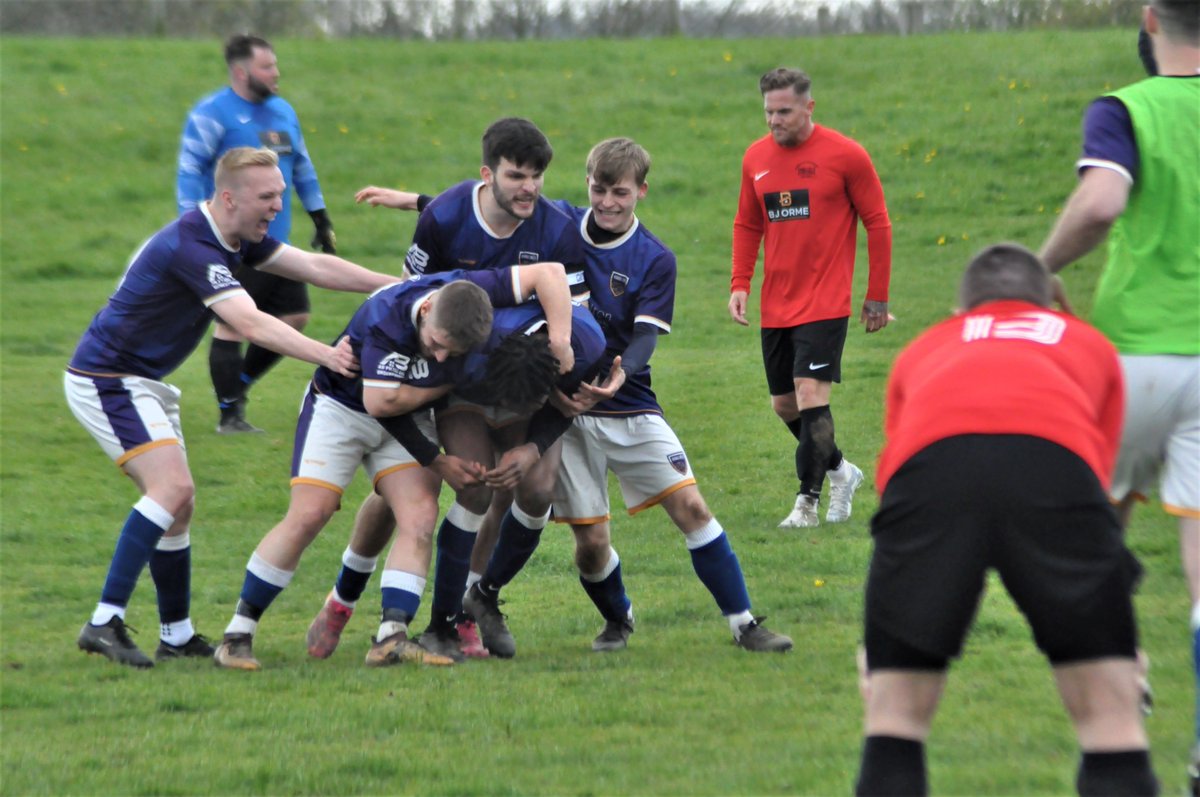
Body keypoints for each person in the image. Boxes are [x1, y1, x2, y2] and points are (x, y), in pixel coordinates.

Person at [68, 147, 397, 669]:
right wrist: (328, 355)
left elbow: (314, 265)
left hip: (138, 380)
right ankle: (104, 621)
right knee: (171, 491)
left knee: (180, 505)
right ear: (228, 197)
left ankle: (175, 635)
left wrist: (399, 286)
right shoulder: (192, 247)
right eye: (267, 197)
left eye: (281, 195)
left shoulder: (236, 238)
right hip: (106, 380)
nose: (276, 205)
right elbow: (250, 323)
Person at [855, 243, 1156, 796]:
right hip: (1056, 468)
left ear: (960, 313)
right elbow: (1098, 481)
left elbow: (895, 477)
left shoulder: (926, 348)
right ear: (1049, 305)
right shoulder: (1085, 341)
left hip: (932, 477)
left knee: (894, 715)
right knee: (1110, 716)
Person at [505, 137, 792, 654]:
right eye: (598, 190)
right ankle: (618, 619)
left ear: (642, 190)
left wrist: (620, 374)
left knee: (693, 508)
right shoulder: (560, 224)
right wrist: (413, 201)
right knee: (590, 546)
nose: (608, 203)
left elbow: (643, 336)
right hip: (566, 409)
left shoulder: (655, 257)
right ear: (587, 184)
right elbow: (492, 201)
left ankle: (745, 625)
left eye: (620, 192)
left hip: (629, 401)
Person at [212, 262, 574, 671]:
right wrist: (438, 453)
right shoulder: (387, 317)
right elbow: (381, 404)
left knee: (419, 516)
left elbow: (549, 273)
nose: (440, 356)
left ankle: (391, 637)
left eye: (452, 353)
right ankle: (236, 635)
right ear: (425, 312)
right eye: (436, 344)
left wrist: (561, 342)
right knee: (311, 513)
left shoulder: (469, 291)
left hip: (409, 419)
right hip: (342, 409)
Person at [338, 116, 587, 658]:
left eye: (538, 176)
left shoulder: (558, 231)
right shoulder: (445, 217)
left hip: (527, 381)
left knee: (536, 489)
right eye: (518, 175)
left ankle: (479, 598)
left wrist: (562, 350)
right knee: (457, 487)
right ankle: (430, 619)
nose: (530, 188)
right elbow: (411, 295)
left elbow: (578, 322)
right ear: (487, 173)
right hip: (459, 381)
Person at [1038, 2, 1199, 788]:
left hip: (1132, 358)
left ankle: (1118, 720)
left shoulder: (1126, 108)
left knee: (1095, 541)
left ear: (1149, 20)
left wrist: (1038, 267)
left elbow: (1101, 202)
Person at [728, 66, 892, 529]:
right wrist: (740, 283)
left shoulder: (846, 156)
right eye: (768, 112)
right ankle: (843, 471)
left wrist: (876, 295)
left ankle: (808, 503)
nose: (774, 120)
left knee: (810, 395)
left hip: (826, 301)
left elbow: (878, 222)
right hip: (776, 303)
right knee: (785, 405)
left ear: (808, 107)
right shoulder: (755, 158)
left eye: (784, 111)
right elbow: (748, 223)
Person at [178, 34, 337, 434]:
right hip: (229, 240)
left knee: (294, 316)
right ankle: (229, 414)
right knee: (235, 323)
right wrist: (194, 226)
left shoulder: (283, 112)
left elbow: (301, 166)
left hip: (273, 241)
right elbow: (189, 170)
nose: (276, 73)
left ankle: (240, 384)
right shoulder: (213, 113)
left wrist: (320, 218)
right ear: (241, 72)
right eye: (267, 67)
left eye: (275, 65)